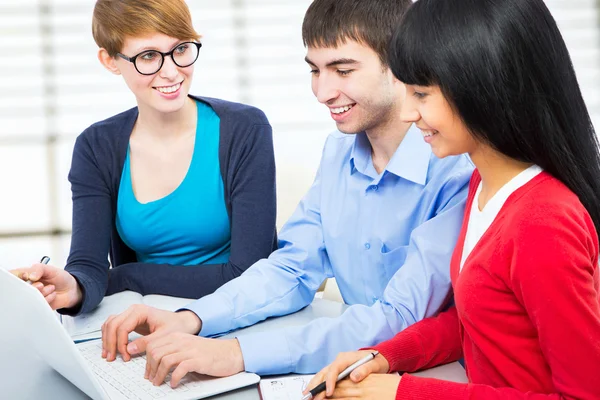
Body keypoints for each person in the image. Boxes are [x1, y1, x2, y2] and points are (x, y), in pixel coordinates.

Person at [99, 0, 475, 388]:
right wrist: (191, 318)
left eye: (343, 70)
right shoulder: (339, 152)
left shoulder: (457, 170)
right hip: (341, 368)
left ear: (400, 63)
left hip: (426, 376)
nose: (323, 92)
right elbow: (292, 268)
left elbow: (398, 318)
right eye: (315, 70)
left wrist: (238, 353)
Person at [307, 0, 600, 398]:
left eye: (422, 94)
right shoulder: (484, 184)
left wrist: (401, 393)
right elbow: (476, 321)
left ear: (486, 89)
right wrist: (383, 356)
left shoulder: (543, 223)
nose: (408, 112)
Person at [10, 0, 278, 316]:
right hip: (144, 320)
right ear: (110, 60)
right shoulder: (96, 147)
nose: (171, 71)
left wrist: (123, 278)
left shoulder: (244, 129)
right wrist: (74, 287)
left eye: (180, 49)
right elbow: (88, 266)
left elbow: (250, 275)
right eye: (148, 56)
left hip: (238, 316)